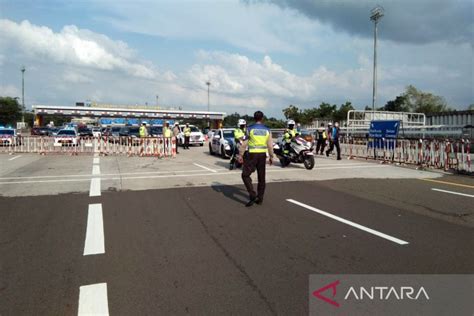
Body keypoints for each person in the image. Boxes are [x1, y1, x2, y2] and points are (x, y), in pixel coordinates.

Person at [238, 111, 274, 207]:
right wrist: (271, 156)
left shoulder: (249, 129)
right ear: (262, 118)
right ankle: (260, 198)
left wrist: (240, 155)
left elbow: (244, 143)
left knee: (245, 175)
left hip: (252, 155)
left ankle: (252, 194)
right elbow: (270, 145)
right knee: (261, 178)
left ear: (254, 118)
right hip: (262, 155)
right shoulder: (267, 130)